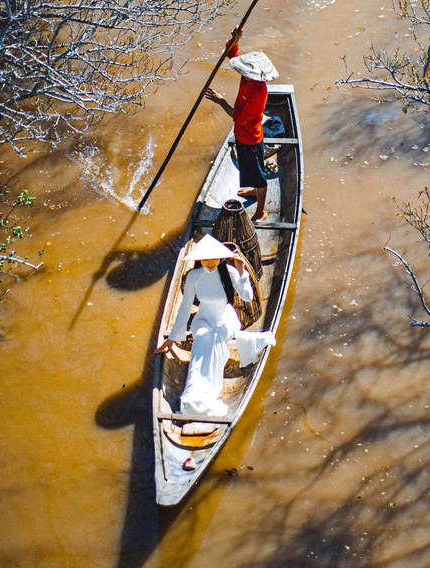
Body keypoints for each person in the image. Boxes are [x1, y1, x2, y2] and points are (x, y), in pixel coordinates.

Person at [155, 235, 276, 470]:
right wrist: (172, 339)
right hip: (202, 319)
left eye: (214, 259)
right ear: (200, 259)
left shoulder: (228, 272)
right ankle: (193, 398)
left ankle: (209, 397)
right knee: (201, 339)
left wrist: (241, 271)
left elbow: (249, 297)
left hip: (225, 318)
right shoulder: (193, 276)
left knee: (218, 339)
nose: (211, 263)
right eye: (206, 259)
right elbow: (184, 307)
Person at [203, 27, 280, 223]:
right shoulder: (247, 76)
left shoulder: (259, 93)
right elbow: (232, 54)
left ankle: (261, 210)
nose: (242, 73)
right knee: (251, 172)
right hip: (240, 134)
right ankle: (254, 191)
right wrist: (235, 39)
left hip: (250, 138)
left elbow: (238, 117)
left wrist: (220, 101)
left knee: (259, 176)